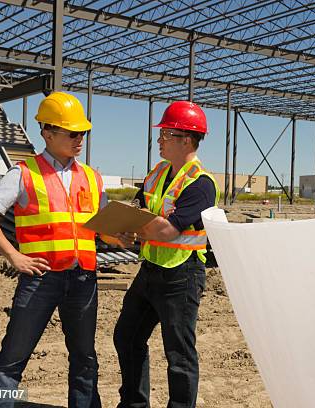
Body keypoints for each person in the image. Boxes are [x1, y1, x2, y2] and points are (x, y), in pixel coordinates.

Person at [0, 91, 104, 407]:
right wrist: (14, 255)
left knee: (85, 358)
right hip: (42, 279)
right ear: (47, 132)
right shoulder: (24, 173)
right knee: (14, 356)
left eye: (82, 132)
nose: (79, 139)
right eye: (72, 133)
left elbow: (99, 227)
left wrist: (118, 237)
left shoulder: (91, 177)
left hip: (84, 280)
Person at [113, 101, 219, 408]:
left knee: (179, 355)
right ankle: (134, 404)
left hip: (182, 276)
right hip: (151, 270)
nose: (159, 140)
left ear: (186, 139)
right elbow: (137, 208)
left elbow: (167, 231)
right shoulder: (157, 173)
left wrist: (136, 226)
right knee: (127, 337)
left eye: (166, 134)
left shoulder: (200, 183)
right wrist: (125, 226)